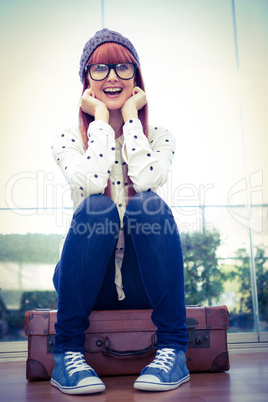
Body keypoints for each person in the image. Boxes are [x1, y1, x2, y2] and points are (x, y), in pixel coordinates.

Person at [50, 28, 189, 395]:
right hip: (87, 284)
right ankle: (67, 354)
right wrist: (99, 120)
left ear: (136, 78)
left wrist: (131, 119)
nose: (112, 77)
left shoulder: (160, 137)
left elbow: (145, 178)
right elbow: (93, 183)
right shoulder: (68, 139)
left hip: (144, 284)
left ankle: (174, 350)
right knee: (97, 208)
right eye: (99, 69)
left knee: (149, 204)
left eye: (123, 68)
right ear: (87, 82)